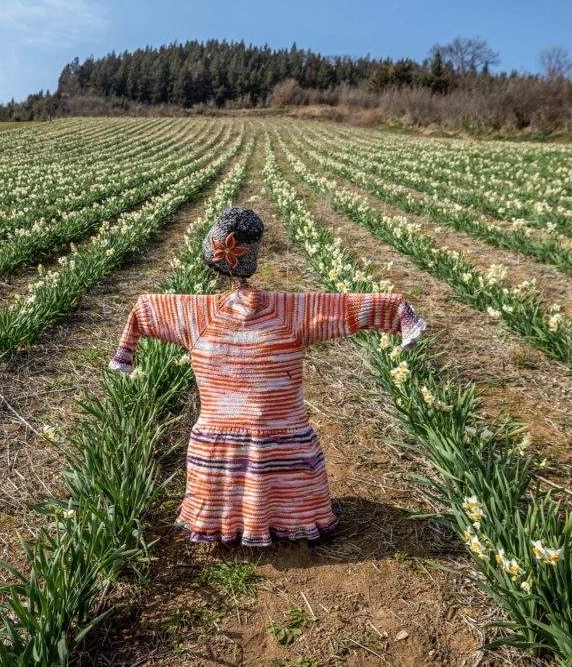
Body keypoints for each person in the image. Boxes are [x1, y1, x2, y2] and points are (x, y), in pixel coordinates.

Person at [107, 205, 427, 547]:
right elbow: (345, 307)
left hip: (216, 450)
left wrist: (126, 350)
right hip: (285, 440)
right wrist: (397, 312)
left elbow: (143, 310)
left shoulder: (192, 313)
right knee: (290, 466)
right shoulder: (289, 312)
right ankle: (291, 517)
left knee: (216, 458)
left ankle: (226, 524)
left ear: (213, 260)